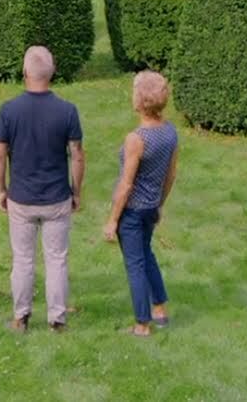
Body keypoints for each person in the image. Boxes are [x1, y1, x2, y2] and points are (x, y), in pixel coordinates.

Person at [0, 46, 84, 333]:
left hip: (21, 197)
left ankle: (21, 317)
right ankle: (57, 318)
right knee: (56, 259)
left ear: (24, 72)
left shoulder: (8, 111)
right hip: (57, 197)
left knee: (23, 259)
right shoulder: (67, 111)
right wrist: (76, 191)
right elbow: (77, 154)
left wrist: (1, 188)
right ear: (52, 72)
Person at [102, 70, 179, 336]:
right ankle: (160, 309)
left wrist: (113, 219)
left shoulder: (136, 139)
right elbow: (171, 174)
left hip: (133, 211)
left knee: (134, 263)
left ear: (140, 100)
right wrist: (159, 204)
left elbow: (126, 184)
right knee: (147, 255)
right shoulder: (170, 132)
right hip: (151, 208)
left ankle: (142, 324)